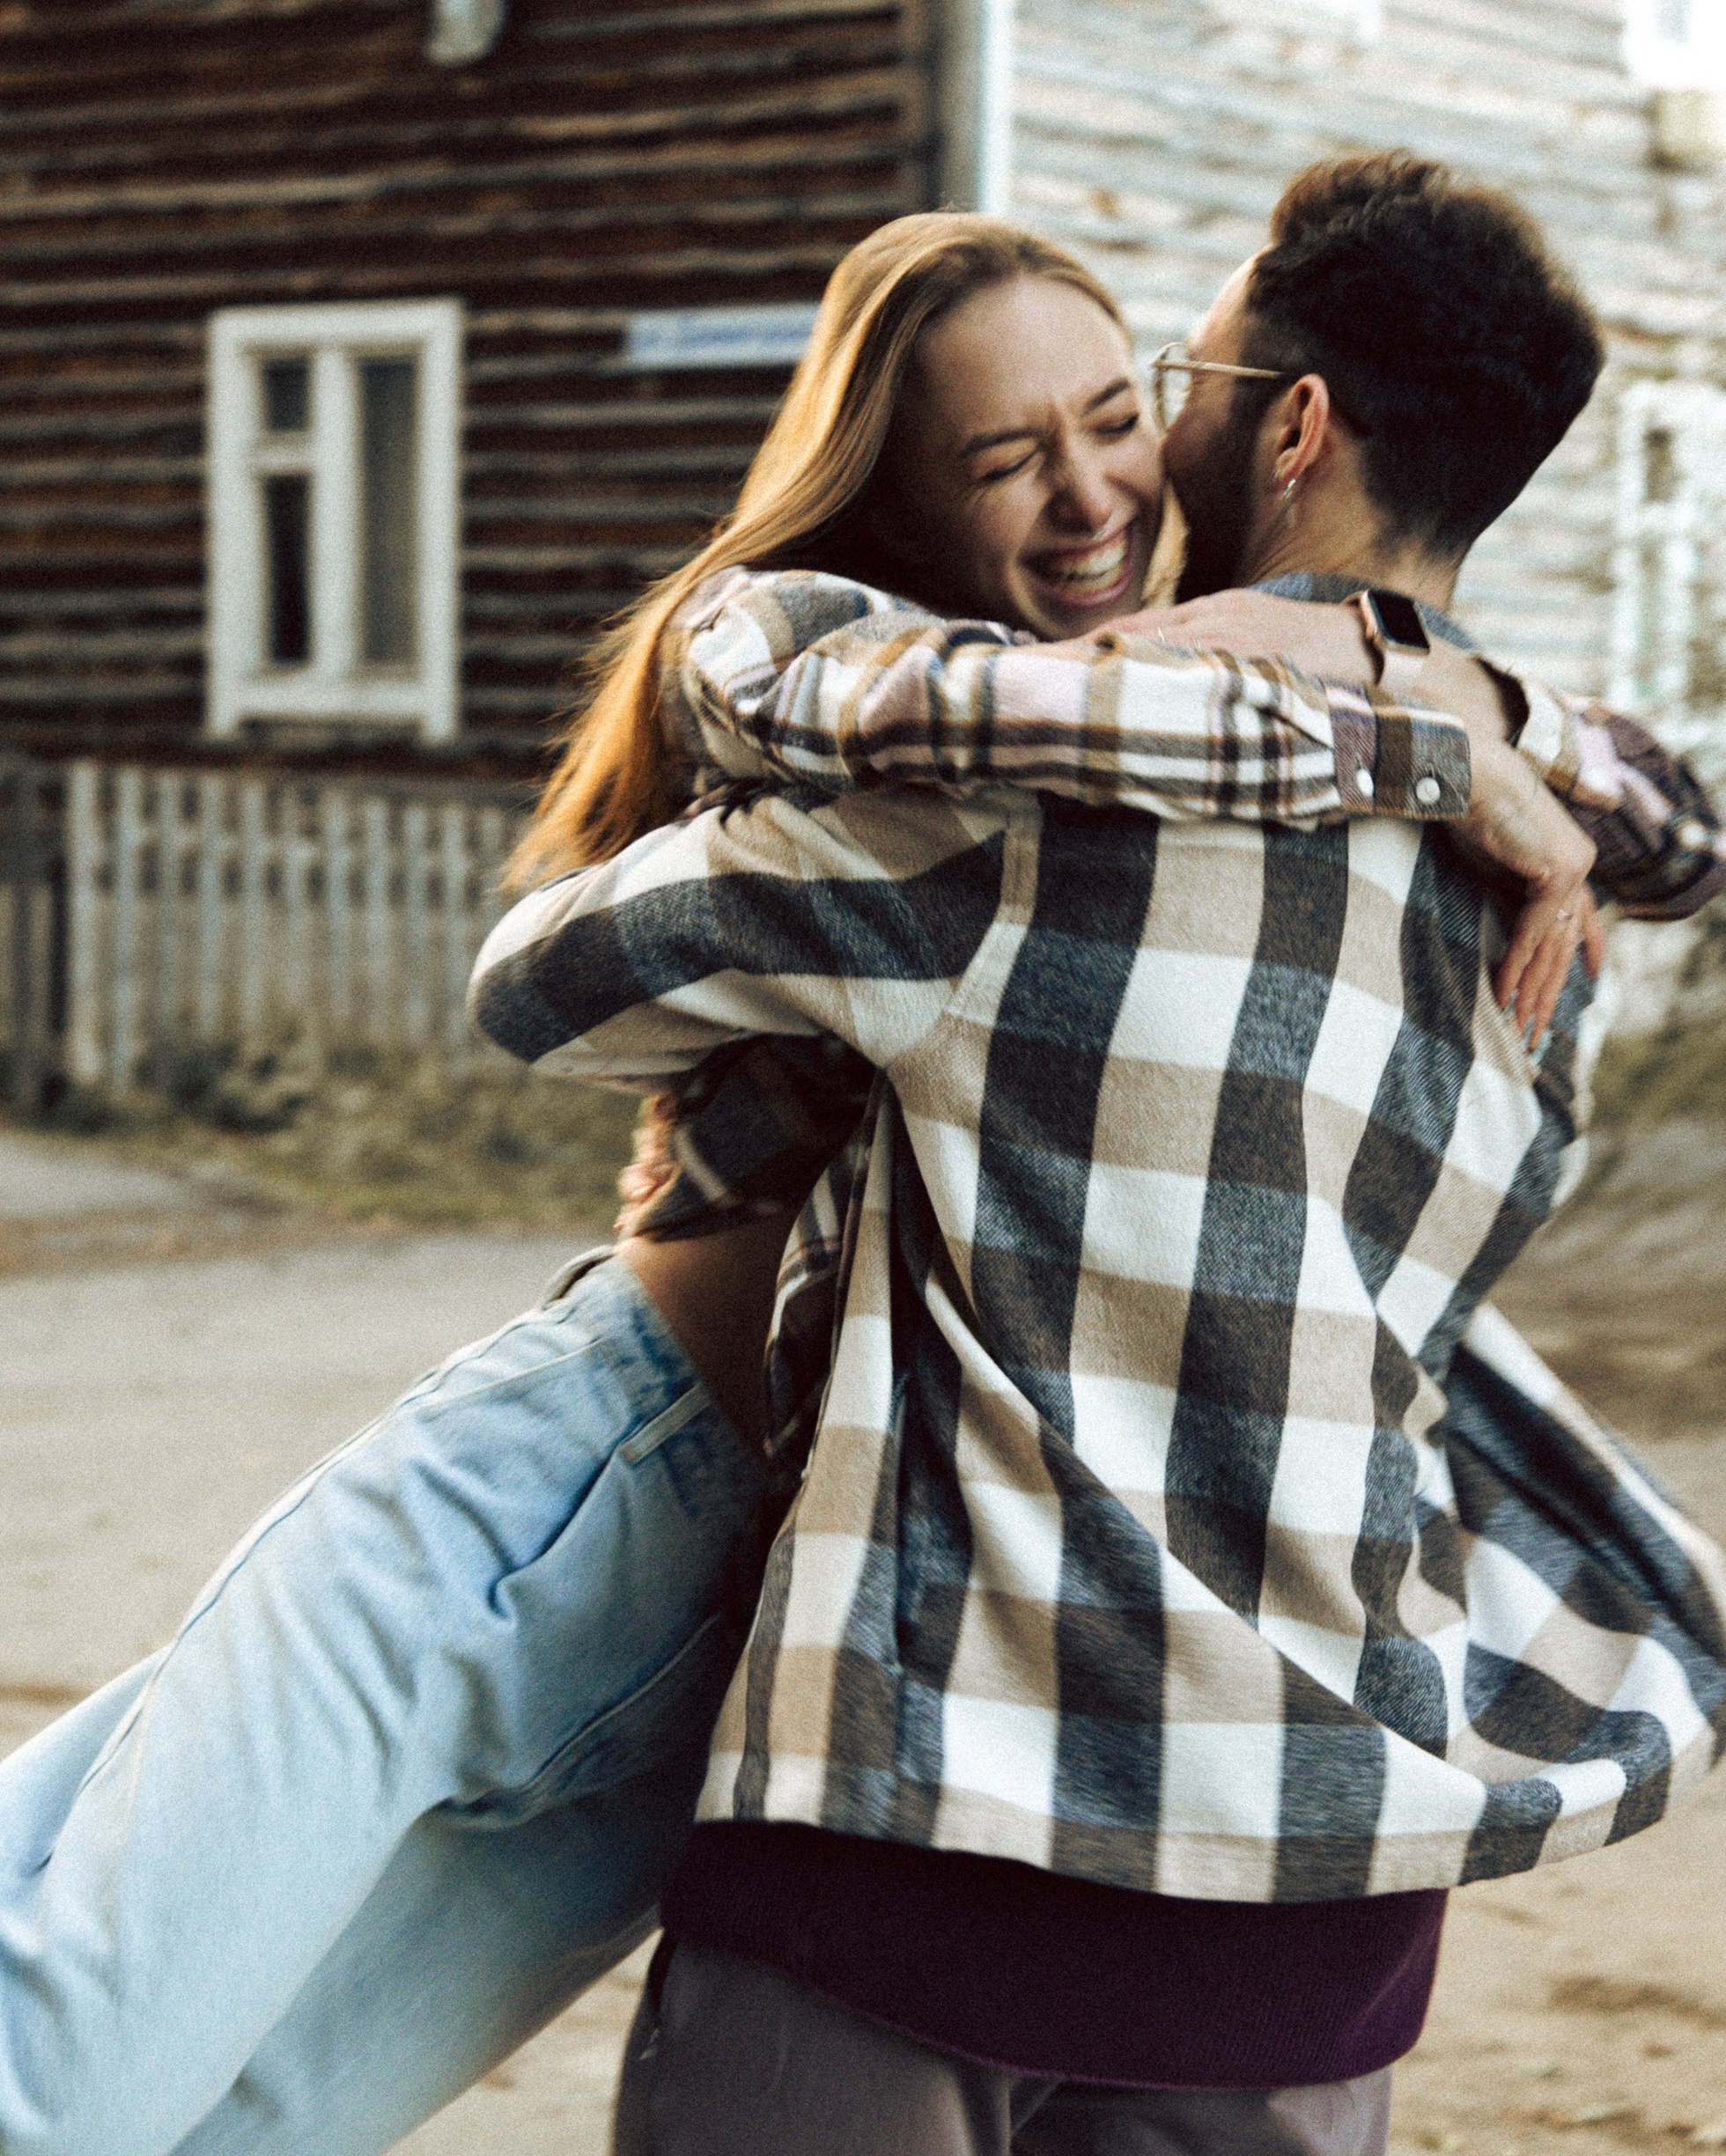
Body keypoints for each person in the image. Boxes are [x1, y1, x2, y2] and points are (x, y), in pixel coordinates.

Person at [0, 214, 1710, 2156]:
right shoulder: (1035, 777)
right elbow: (558, 954)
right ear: (897, 497)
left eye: (1128, 409)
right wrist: (1413, 725)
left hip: (794, 1589)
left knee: (262, 2115)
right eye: (1002, 459)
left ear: (1288, 427)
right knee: (64, 2063)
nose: (1096, 487)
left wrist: (1432, 721)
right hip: (595, 1463)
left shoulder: (1301, 809)